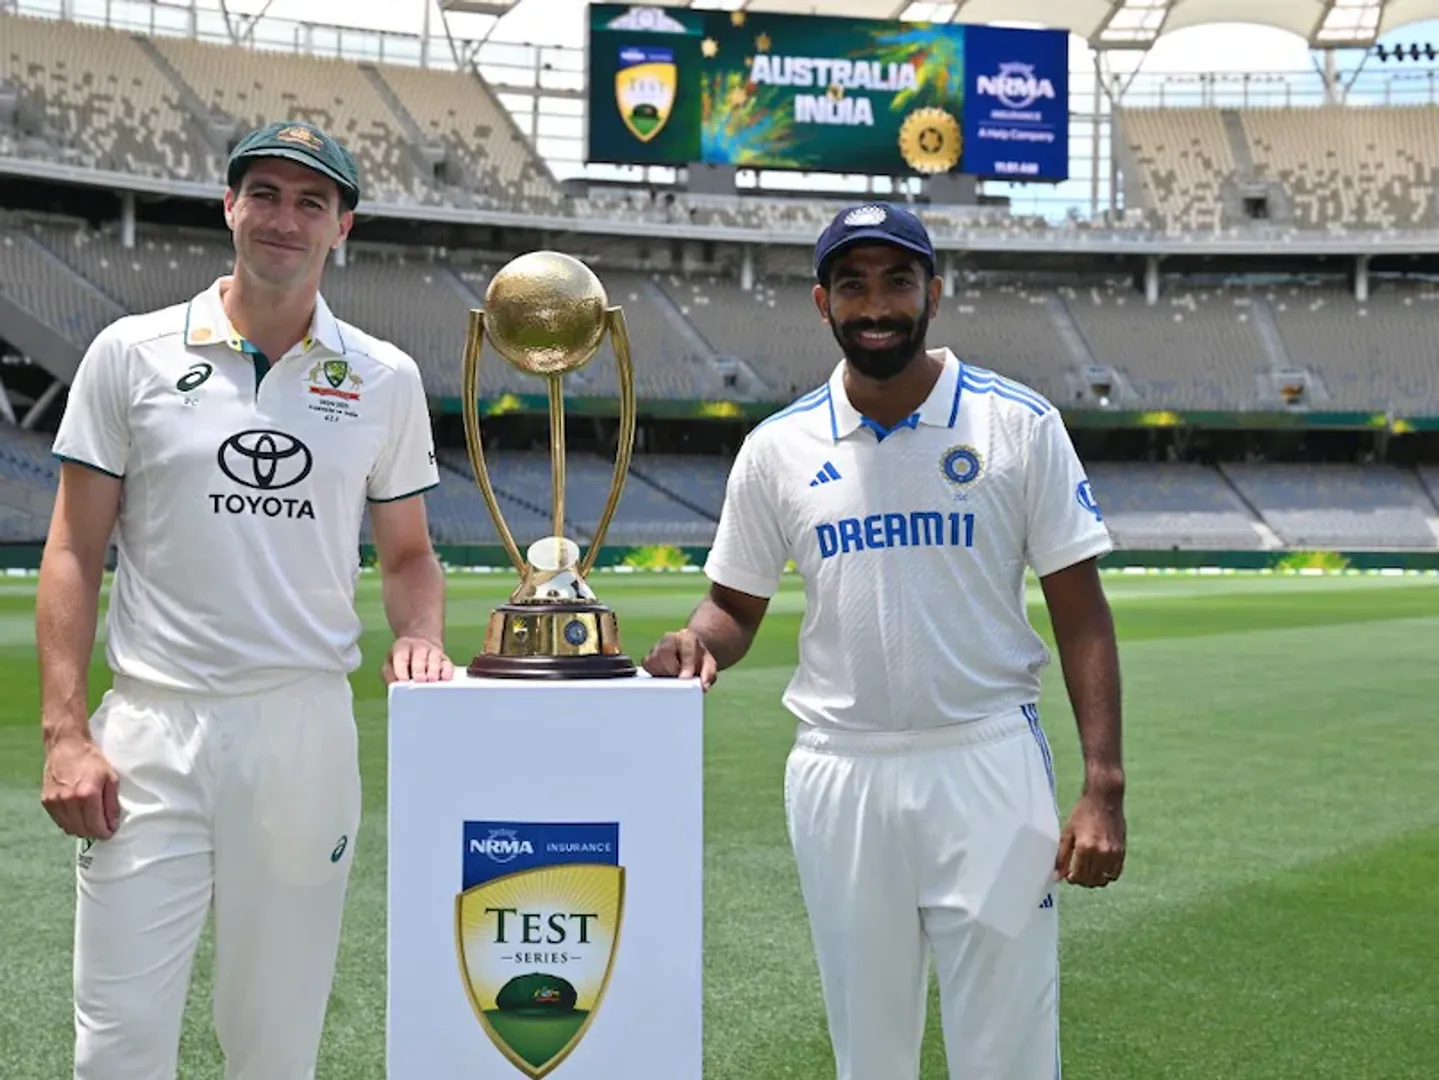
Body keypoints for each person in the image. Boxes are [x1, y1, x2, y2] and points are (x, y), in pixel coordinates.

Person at [644, 202, 1126, 1080]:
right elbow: (733, 610)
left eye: (897, 282)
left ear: (933, 293)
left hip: (983, 756)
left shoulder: (1017, 425)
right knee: (868, 1051)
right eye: (853, 285)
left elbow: (1081, 611)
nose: (877, 306)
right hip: (841, 766)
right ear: (821, 303)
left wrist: (1103, 786)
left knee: (1008, 1048)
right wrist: (693, 640)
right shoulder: (776, 447)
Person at [35, 119, 453, 1080]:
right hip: (150, 731)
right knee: (117, 1044)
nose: (284, 218)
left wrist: (420, 634)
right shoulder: (129, 353)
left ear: (341, 227)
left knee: (273, 1045)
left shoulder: (384, 378)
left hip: (301, 731)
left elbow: (406, 556)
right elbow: (72, 547)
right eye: (263, 193)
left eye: (312, 201)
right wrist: (65, 732)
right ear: (228, 206)